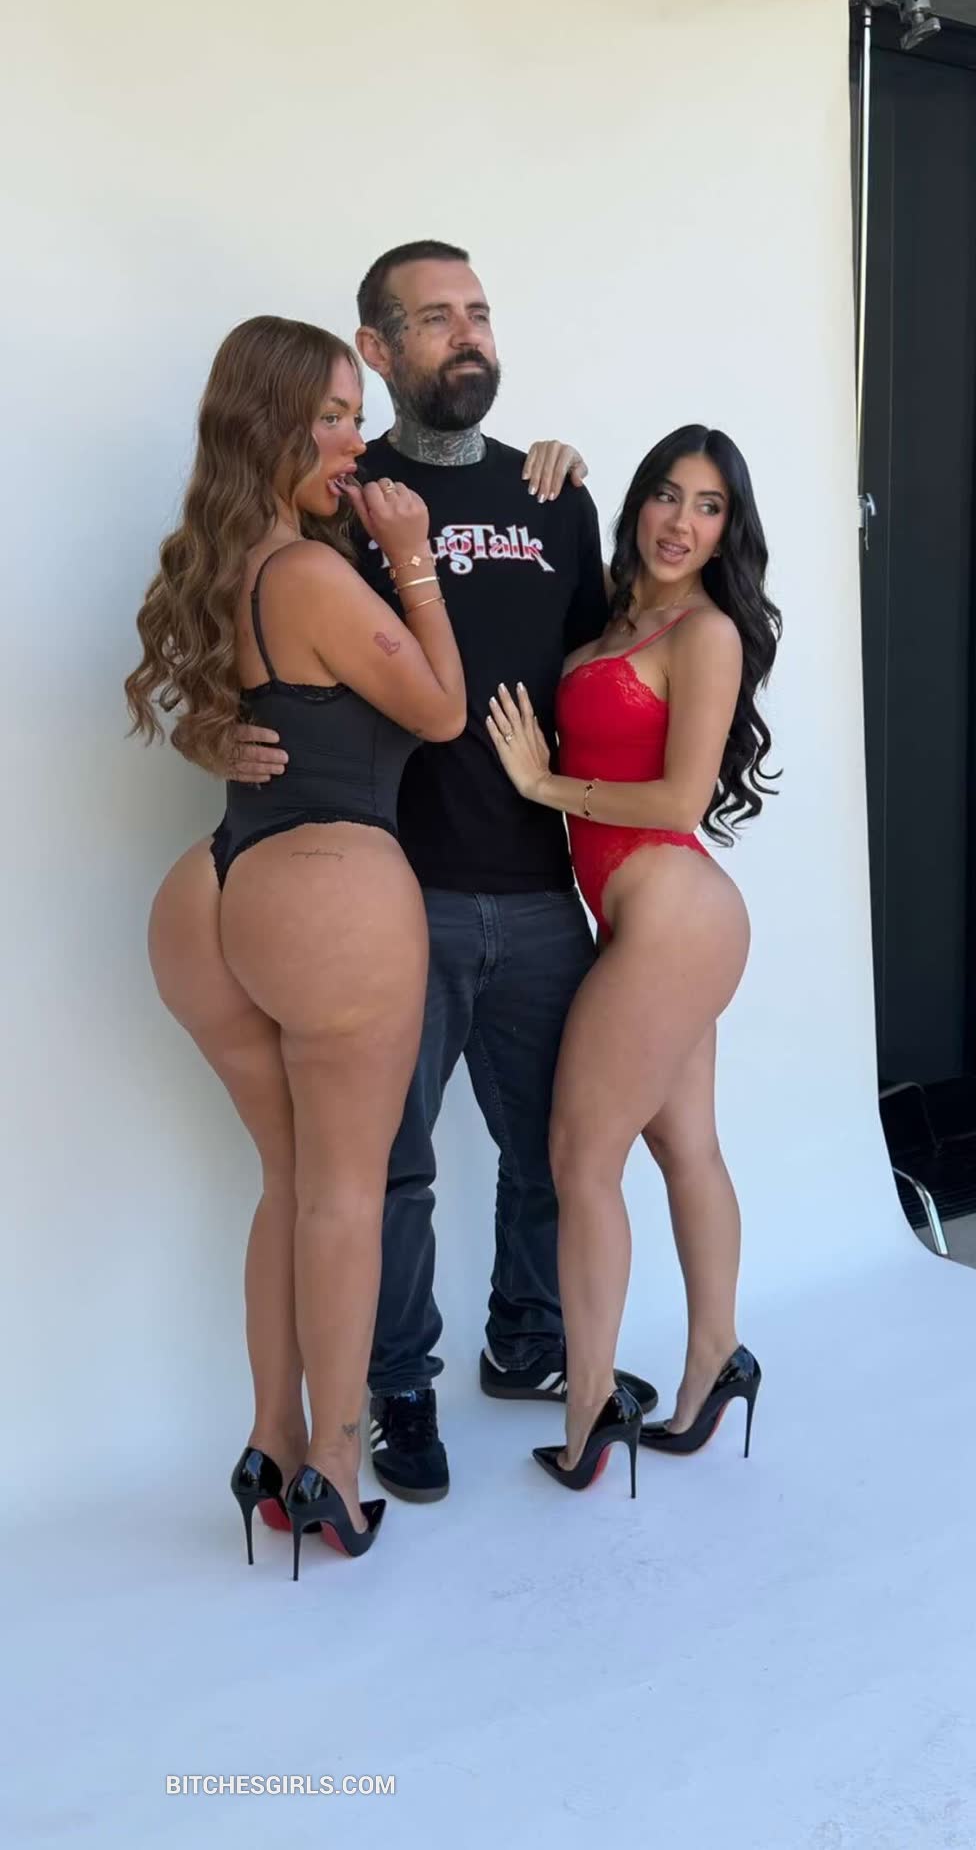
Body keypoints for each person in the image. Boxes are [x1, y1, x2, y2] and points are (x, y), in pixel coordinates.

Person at [230, 242, 657, 1502]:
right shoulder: (337, 494)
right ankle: (398, 1390)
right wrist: (212, 729)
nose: (466, 333)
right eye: (433, 318)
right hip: (390, 897)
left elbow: (606, 674)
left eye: (478, 311)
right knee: (390, 1167)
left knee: (560, 1147)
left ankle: (528, 1343)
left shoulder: (551, 495)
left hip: (537, 887)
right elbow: (244, 634)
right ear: (375, 349)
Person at [124, 315, 467, 1574]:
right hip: (326, 890)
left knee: (288, 1182)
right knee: (344, 1193)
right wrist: (413, 561)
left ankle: (268, 1445)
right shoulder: (316, 577)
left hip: (212, 887)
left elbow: (214, 713)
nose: (353, 439)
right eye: (329, 415)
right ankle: (335, 1462)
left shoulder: (221, 564)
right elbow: (440, 710)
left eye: (354, 414)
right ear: (266, 423)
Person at [486, 424, 781, 1492]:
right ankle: (716, 1361)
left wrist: (542, 786)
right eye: (666, 494)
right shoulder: (617, 615)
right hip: (650, 922)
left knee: (580, 1160)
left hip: (673, 915)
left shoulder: (706, 633)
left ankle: (589, 1404)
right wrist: (557, 461)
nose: (680, 522)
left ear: (728, 531)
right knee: (684, 1144)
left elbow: (678, 800)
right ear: (639, 503)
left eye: (708, 507)